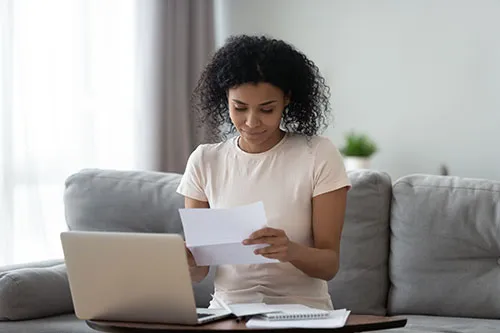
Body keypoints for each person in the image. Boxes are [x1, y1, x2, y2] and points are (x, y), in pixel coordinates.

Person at [176, 35, 351, 311]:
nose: (251, 122)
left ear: (287, 99)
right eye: (240, 108)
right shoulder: (205, 160)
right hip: (227, 312)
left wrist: (291, 251)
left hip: (302, 313)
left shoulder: (318, 154)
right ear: (226, 100)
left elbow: (329, 265)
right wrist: (187, 261)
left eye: (267, 109)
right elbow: (200, 273)